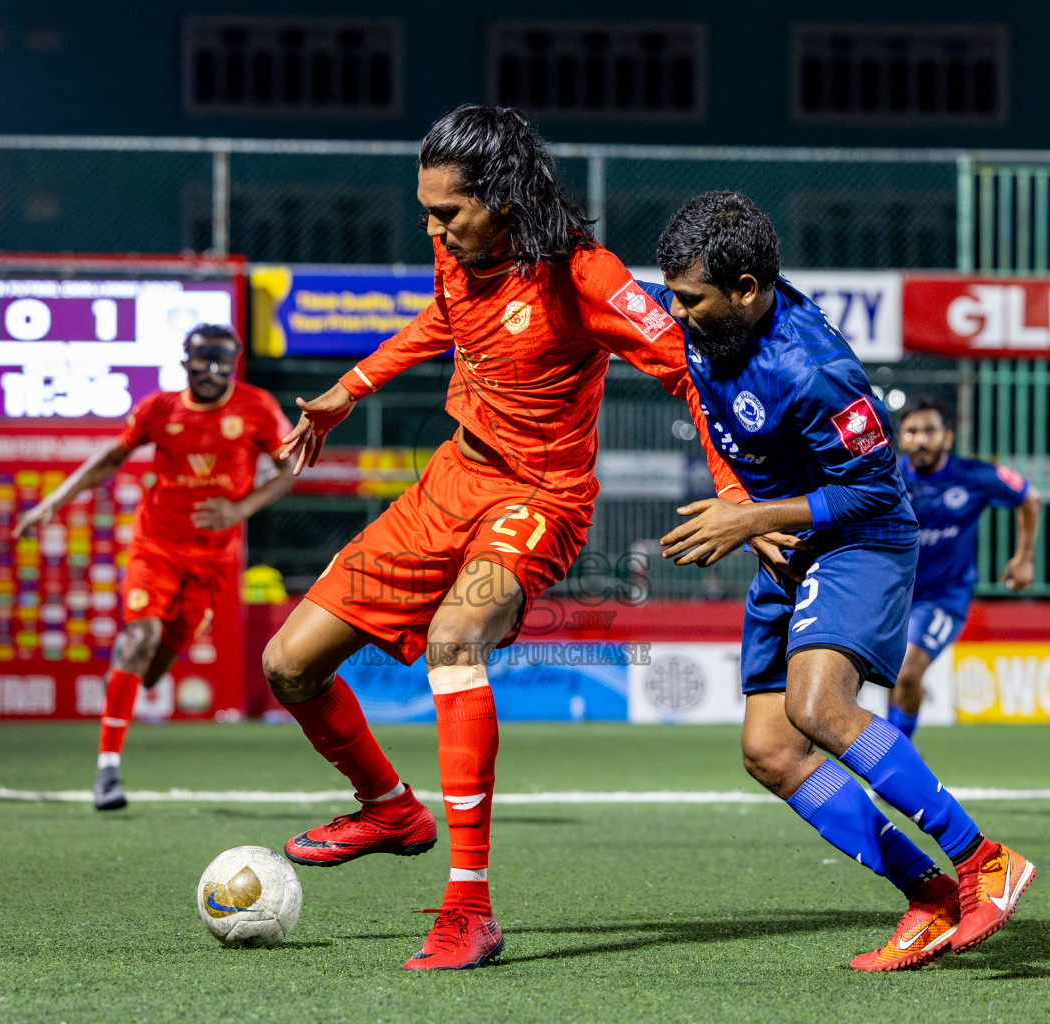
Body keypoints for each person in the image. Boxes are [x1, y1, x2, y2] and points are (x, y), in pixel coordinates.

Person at [264, 105, 748, 971]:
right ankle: (387, 808)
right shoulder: (457, 252)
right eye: (427, 212)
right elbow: (442, 321)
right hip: (451, 479)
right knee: (287, 664)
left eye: (447, 212)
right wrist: (349, 387)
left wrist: (734, 494)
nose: (433, 228)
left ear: (504, 198)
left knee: (456, 639)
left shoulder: (587, 278)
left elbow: (688, 368)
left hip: (540, 498)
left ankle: (468, 905)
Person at [646, 191, 1035, 972]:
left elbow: (877, 493)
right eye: (672, 295)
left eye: (691, 299)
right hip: (786, 543)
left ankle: (983, 858)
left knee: (817, 707)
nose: (676, 312)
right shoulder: (697, 320)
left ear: (747, 290)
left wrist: (750, 518)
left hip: (860, 540)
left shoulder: (815, 368)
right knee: (768, 750)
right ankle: (929, 897)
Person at [14, 324, 294, 811]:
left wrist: (241, 509)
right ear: (184, 361)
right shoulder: (159, 410)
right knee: (140, 639)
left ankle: (128, 674)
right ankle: (107, 770)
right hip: (157, 547)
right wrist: (52, 503)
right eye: (203, 361)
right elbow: (109, 458)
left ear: (233, 364)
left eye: (222, 362)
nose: (212, 371)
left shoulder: (257, 407)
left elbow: (290, 466)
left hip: (212, 560)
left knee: (157, 664)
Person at [891, 398, 1040, 736]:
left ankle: (895, 759)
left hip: (944, 596)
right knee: (892, 676)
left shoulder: (972, 476)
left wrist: (1024, 558)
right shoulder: (888, 475)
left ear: (948, 437)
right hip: (892, 594)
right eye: (912, 431)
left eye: (930, 430)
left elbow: (1029, 496)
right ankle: (897, 745)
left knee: (908, 673)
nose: (921, 439)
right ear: (902, 438)